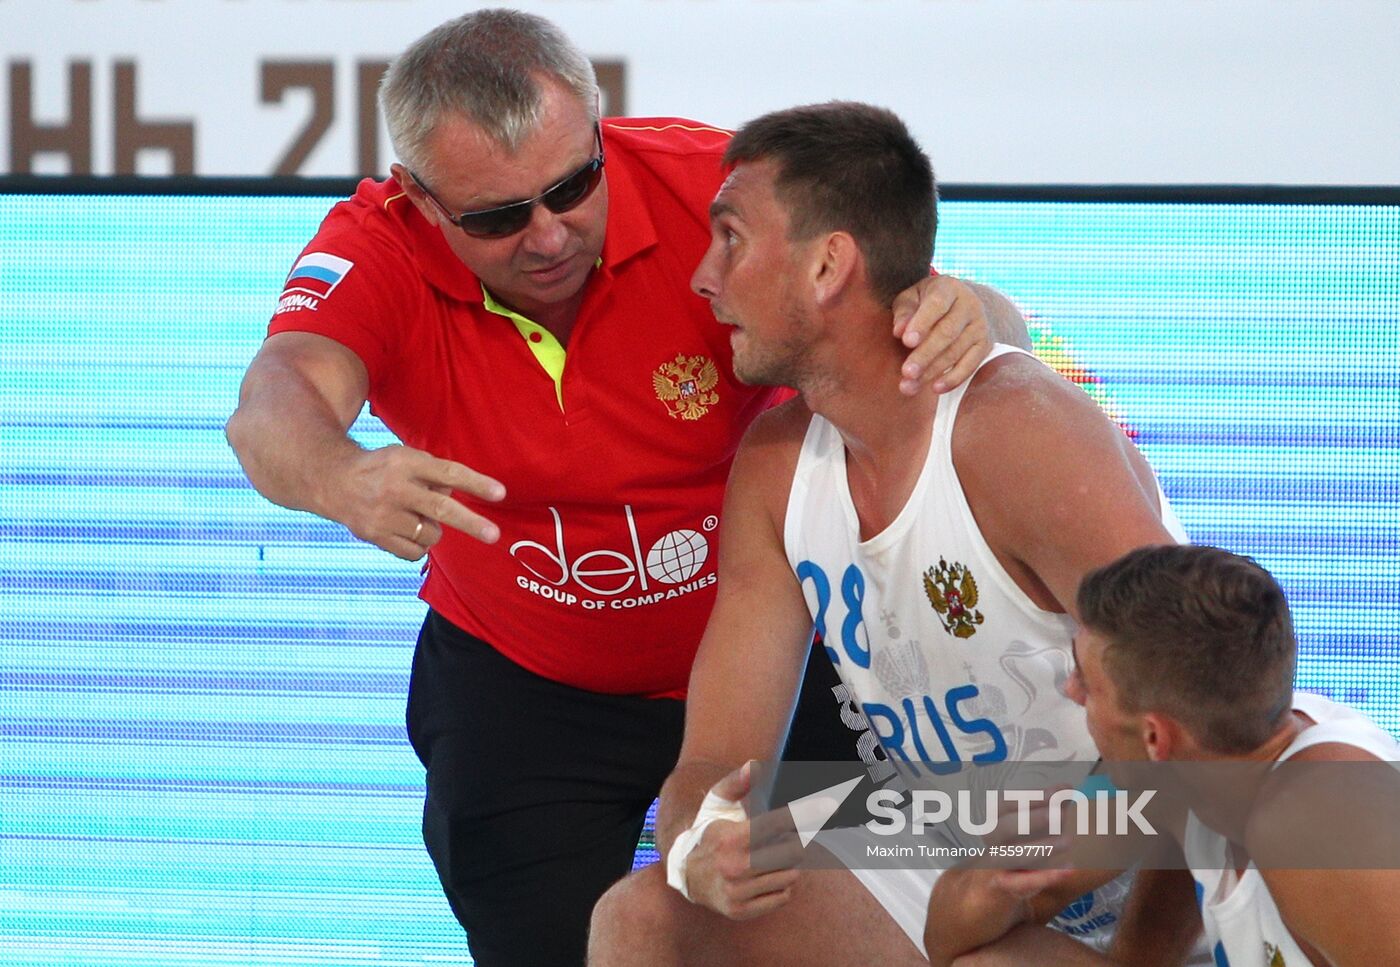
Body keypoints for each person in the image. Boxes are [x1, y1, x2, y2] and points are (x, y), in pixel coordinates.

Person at [223, 10, 1024, 966]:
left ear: (602, 131)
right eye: (498, 215)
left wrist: (964, 312)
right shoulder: (376, 248)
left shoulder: (717, 191)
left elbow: (969, 315)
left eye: (573, 184)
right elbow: (273, 401)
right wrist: (341, 474)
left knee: (851, 932)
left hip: (779, 655)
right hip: (526, 687)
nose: (550, 234)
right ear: (419, 200)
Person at [586, 101, 1189, 965]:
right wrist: (699, 844)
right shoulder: (774, 463)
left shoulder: (1012, 428)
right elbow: (713, 759)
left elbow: (1206, 712)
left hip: (1140, 855)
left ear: (830, 264)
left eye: (731, 238)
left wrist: (1039, 877)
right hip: (954, 834)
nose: (702, 277)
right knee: (641, 918)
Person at [926, 545, 1400, 966]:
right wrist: (991, 878)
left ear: (1154, 736)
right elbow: (948, 940)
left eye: (1087, 683)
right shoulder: (1180, 779)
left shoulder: (1325, 821)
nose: (1071, 691)